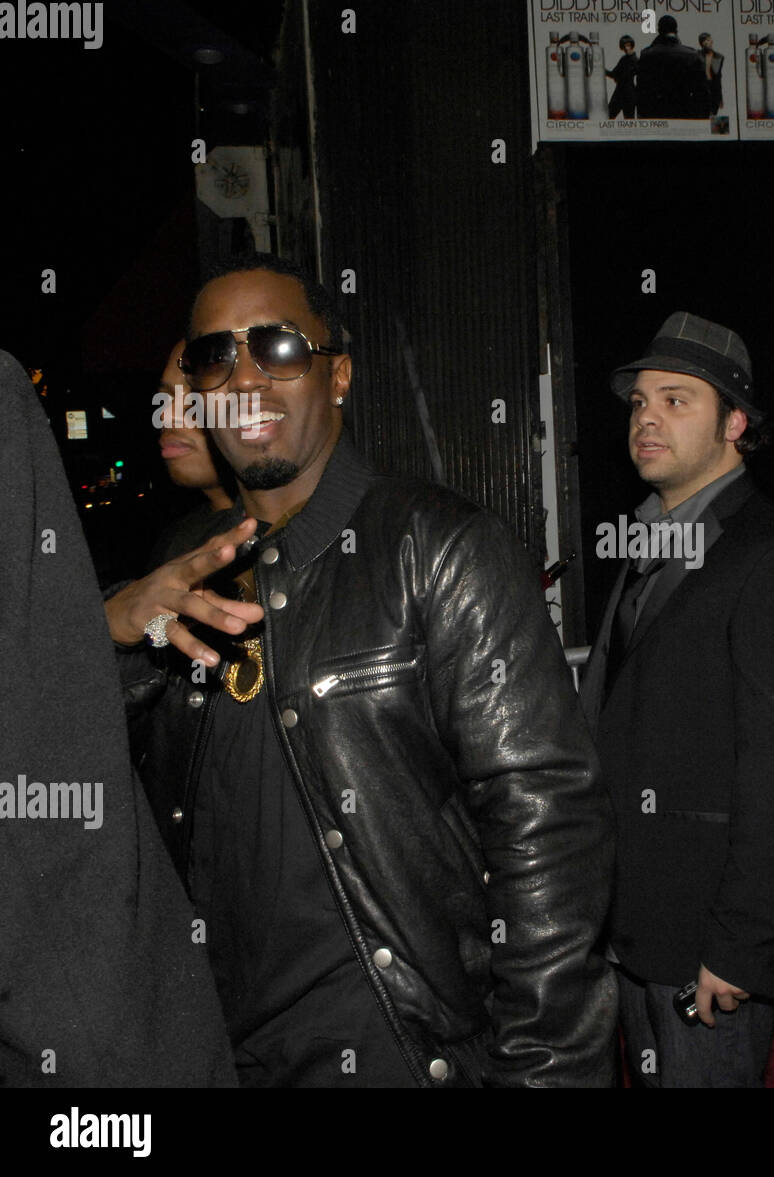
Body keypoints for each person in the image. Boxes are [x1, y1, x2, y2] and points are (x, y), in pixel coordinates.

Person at [106, 253, 615, 1087]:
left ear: (336, 374)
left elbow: (548, 828)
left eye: (274, 347)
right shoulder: (176, 569)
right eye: (213, 356)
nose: (243, 377)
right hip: (216, 1050)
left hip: (399, 1046)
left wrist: (543, 1070)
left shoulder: (436, 548)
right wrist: (114, 635)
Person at [579, 312, 774, 1087]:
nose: (647, 416)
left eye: (676, 399)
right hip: (630, 930)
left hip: (707, 947)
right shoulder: (645, 545)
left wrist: (740, 945)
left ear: (736, 423)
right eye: (637, 402)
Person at [1, 349, 236, 1087]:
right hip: (197, 969)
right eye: (161, 396)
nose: (168, 414)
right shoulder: (166, 554)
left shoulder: (406, 547)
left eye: (192, 396)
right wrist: (104, 630)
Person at [152, 338, 236, 559]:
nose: (165, 415)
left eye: (194, 399)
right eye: (165, 398)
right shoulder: (176, 537)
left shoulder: (285, 536)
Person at [636, 15, 710, 119]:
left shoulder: (646, 54)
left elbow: (641, 92)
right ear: (676, 30)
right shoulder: (693, 55)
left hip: (656, 116)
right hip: (684, 115)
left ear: (659, 30)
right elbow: (703, 94)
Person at [607, 35, 637, 120]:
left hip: (629, 95)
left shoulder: (636, 60)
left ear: (631, 45)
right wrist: (601, 69)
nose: (626, 48)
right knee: (608, 117)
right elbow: (613, 74)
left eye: (628, 45)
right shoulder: (623, 60)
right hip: (619, 93)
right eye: (624, 46)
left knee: (629, 122)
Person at [698, 32, 725, 115]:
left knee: (714, 115)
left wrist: (720, 98)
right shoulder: (696, 55)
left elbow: (718, 78)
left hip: (714, 88)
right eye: (706, 40)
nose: (708, 42)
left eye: (709, 40)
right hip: (701, 88)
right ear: (702, 43)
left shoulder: (719, 57)